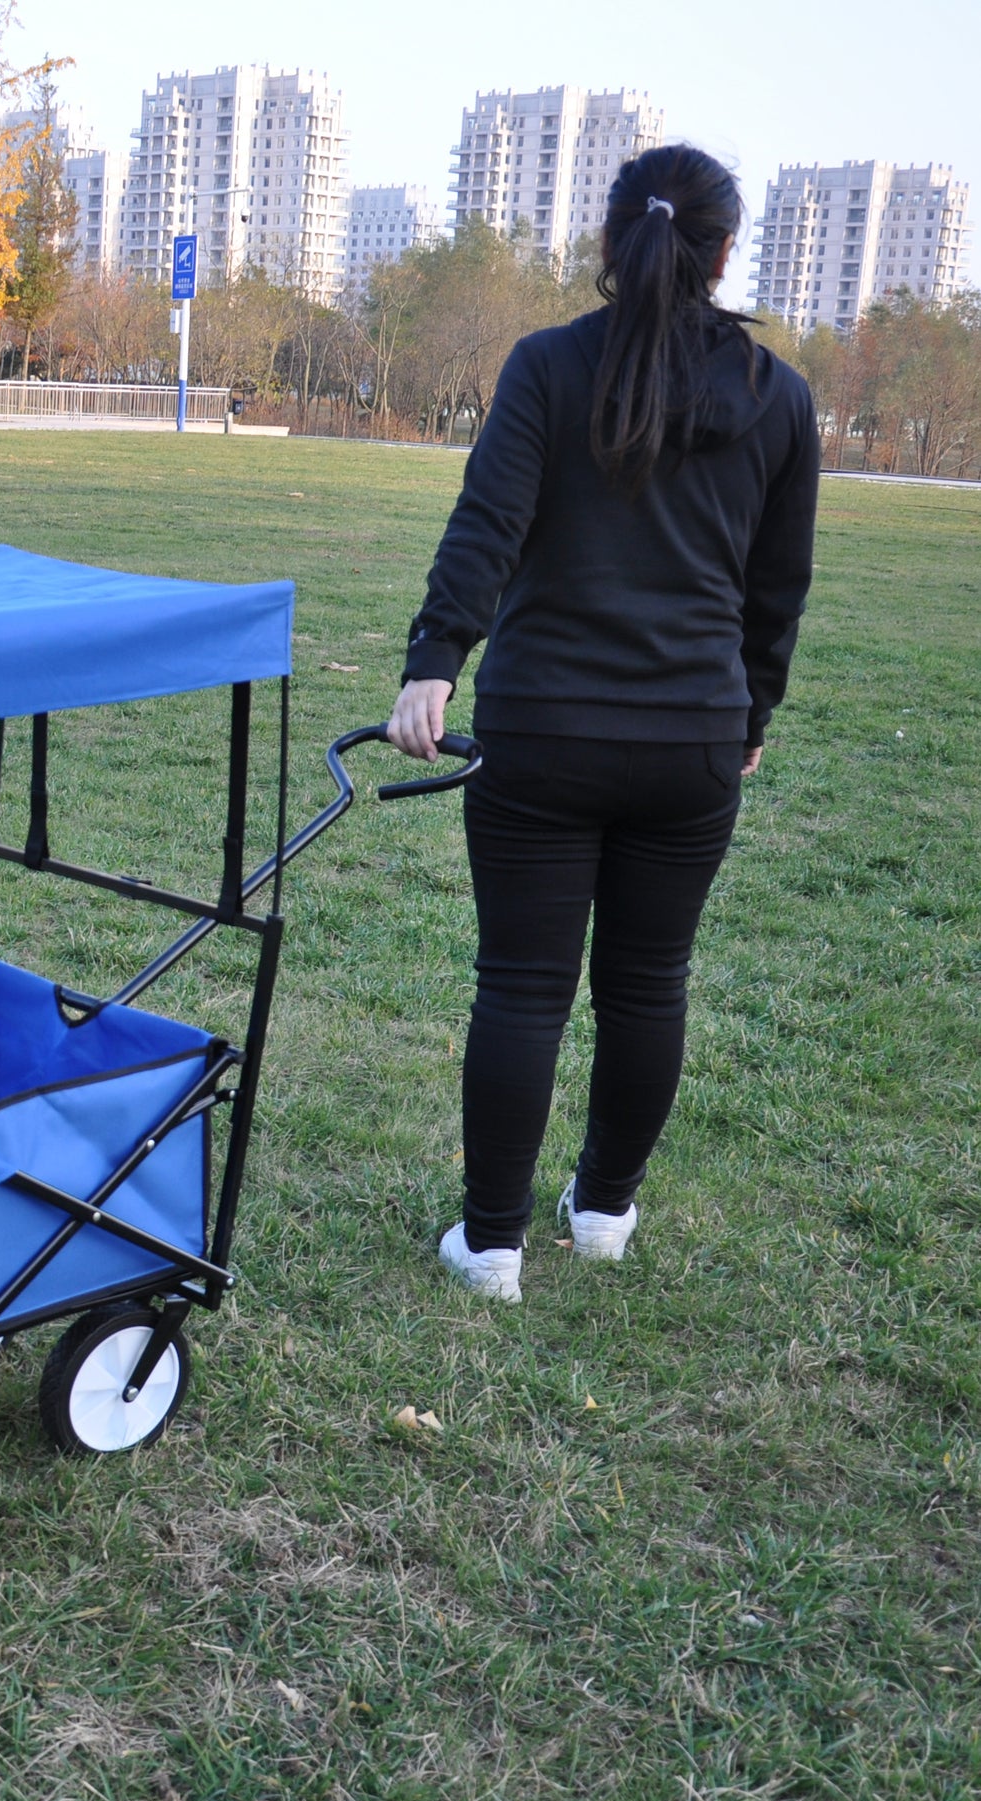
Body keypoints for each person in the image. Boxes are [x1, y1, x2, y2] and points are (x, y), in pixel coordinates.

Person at [387, 144, 819, 1303]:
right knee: (646, 983)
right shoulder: (780, 396)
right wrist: (749, 713)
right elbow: (777, 594)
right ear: (722, 252)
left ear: (608, 242)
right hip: (690, 742)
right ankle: (602, 1213)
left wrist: (432, 663)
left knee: (522, 986)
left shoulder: (546, 366)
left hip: (543, 732)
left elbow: (485, 523)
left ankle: (491, 1246)